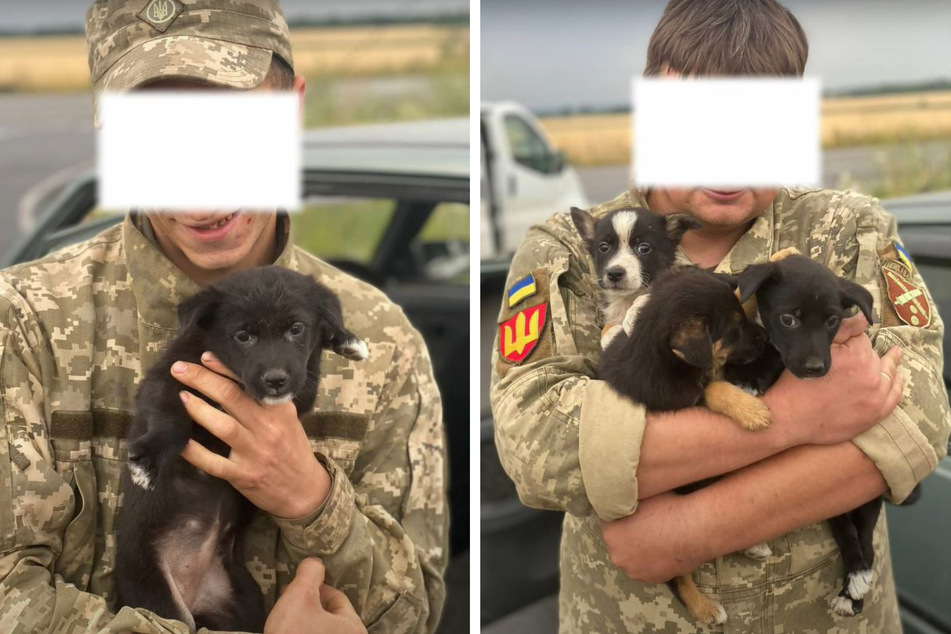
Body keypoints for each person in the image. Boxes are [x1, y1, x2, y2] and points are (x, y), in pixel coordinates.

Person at [489, 0, 950, 631]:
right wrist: (803, 415)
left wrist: (682, 530)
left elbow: (921, 415)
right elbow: (536, 452)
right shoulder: (571, 250)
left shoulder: (849, 230)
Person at [0, 1, 447, 633]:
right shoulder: (21, 324)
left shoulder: (384, 340)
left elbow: (412, 611)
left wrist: (309, 498)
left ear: (291, 110)